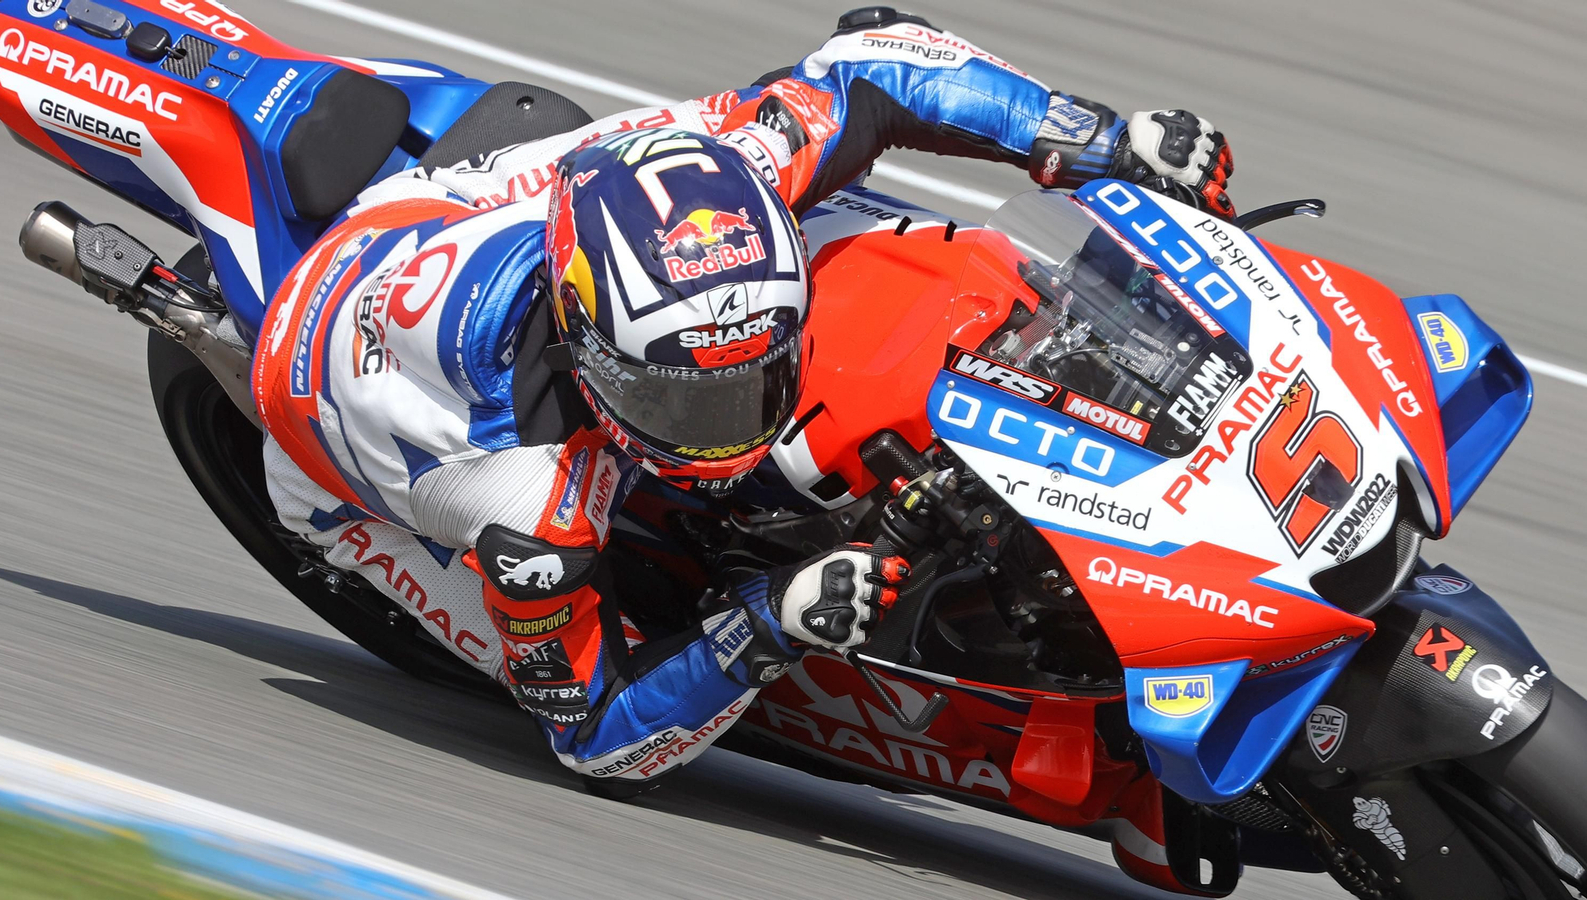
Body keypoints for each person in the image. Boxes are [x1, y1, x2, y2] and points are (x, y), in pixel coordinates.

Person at [250, 7, 1236, 792]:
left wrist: (1098, 138)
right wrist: (770, 622)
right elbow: (594, 738)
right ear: (588, 357)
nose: (729, 429)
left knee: (873, 223)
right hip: (331, 430)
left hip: (472, 207)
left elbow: (877, 57)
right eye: (687, 405)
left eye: (752, 377)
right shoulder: (530, 510)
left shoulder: (734, 173)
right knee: (538, 652)